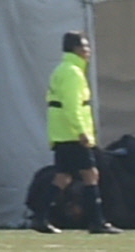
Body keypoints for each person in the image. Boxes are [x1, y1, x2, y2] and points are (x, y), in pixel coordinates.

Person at [37, 32, 119, 235]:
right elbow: (72, 106)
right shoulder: (73, 72)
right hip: (72, 135)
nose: (88, 51)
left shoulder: (62, 70)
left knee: (63, 177)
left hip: (61, 133)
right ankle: (97, 221)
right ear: (75, 49)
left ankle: (40, 217)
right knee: (91, 174)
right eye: (85, 47)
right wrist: (82, 131)